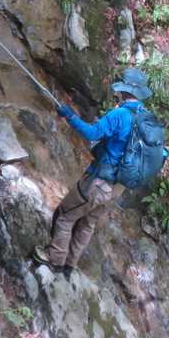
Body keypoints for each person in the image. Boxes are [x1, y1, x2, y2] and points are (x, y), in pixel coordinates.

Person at [42, 68, 155, 271]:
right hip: (119, 187)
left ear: (124, 90)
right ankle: (69, 266)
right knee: (88, 223)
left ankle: (55, 260)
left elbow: (92, 133)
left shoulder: (120, 114)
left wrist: (69, 116)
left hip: (99, 181)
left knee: (65, 215)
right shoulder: (147, 118)